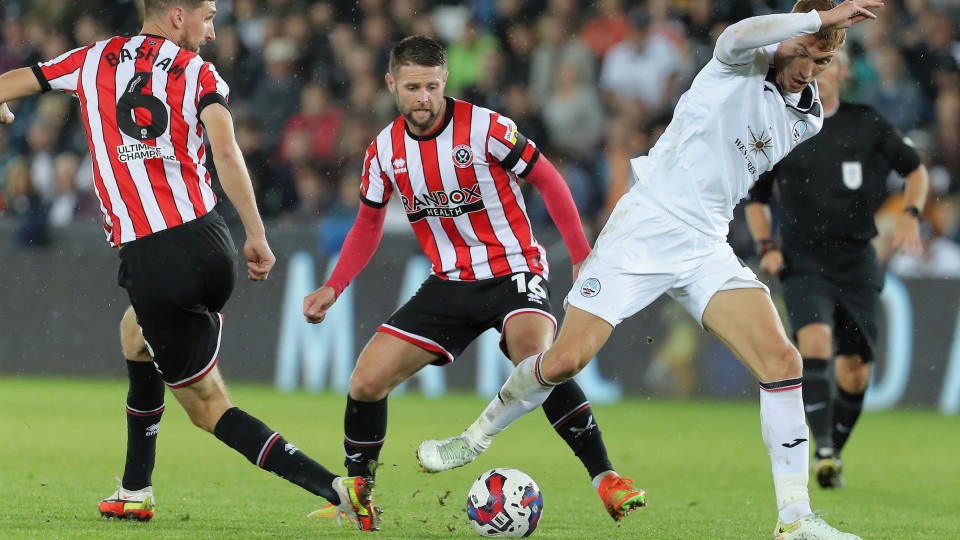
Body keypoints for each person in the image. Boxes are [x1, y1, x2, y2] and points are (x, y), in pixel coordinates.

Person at [417, 2, 883, 539]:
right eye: (802, 54)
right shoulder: (737, 60)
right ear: (788, 36)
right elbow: (743, 33)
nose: (808, 71)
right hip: (647, 223)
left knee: (782, 359)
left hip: (705, 242)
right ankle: (475, 437)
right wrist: (813, 20)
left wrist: (816, 35)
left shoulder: (808, 117)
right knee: (567, 359)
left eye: (820, 65)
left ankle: (795, 519)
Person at [0, 0, 377, 531]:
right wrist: (256, 234)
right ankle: (134, 488)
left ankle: (339, 489)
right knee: (135, 335)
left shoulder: (94, 59)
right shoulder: (199, 72)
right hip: (210, 241)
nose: (213, 28)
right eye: (208, 15)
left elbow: (13, 82)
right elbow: (225, 149)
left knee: (208, 406)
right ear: (177, 15)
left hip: (155, 257)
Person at [302, 35, 646, 523]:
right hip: (448, 283)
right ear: (391, 85)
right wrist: (333, 286)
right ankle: (359, 493)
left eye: (432, 86)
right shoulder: (383, 151)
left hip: (514, 270)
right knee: (365, 380)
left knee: (539, 357)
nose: (423, 98)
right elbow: (368, 224)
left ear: (445, 81)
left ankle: (606, 478)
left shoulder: (485, 129)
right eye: (413, 87)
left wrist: (580, 253)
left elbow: (548, 178)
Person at [745, 49, 930, 489]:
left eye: (827, 67)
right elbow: (756, 197)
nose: (818, 75)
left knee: (856, 372)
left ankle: (834, 451)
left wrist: (911, 214)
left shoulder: (867, 123)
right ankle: (822, 448)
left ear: (842, 73)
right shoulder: (784, 127)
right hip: (804, 260)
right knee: (815, 341)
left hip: (856, 260)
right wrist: (767, 245)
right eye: (813, 68)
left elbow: (916, 170)